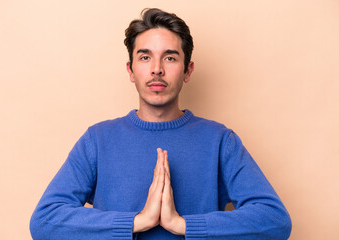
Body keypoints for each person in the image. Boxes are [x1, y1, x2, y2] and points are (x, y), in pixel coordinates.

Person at [30, 8, 292, 240]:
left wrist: (183, 225)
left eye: (169, 58)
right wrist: (137, 222)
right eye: (145, 57)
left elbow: (275, 221)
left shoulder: (220, 140)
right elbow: (44, 221)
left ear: (187, 71)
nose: (157, 69)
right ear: (131, 70)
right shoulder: (97, 140)